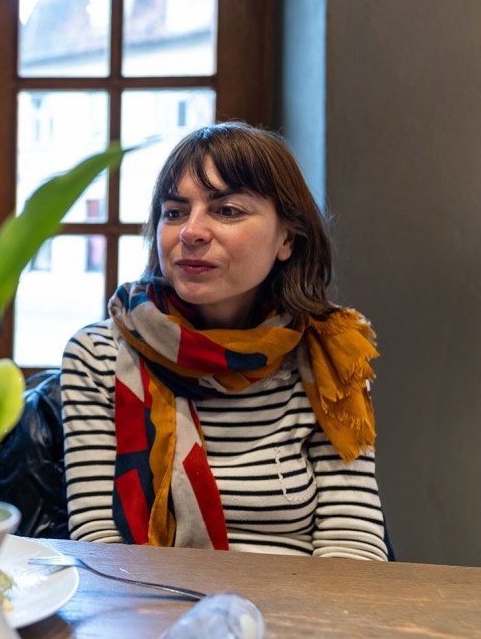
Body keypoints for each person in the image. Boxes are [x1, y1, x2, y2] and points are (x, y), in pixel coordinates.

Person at [61, 122, 387, 560]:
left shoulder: (330, 351)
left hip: (302, 600)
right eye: (174, 212)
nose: (190, 231)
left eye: (227, 210)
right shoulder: (98, 355)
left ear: (287, 238)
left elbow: (352, 541)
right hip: (146, 598)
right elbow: (98, 546)